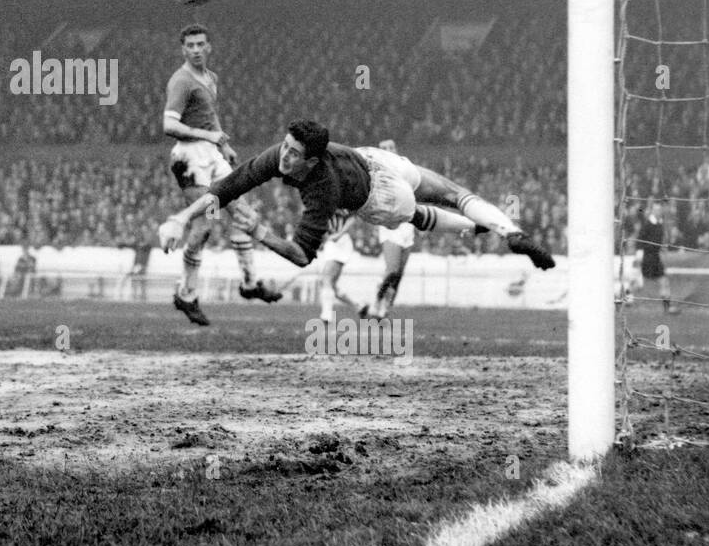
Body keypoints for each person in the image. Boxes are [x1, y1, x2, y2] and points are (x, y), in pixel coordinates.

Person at [159, 119, 555, 277]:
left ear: (311, 160)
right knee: (453, 192)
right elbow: (225, 189)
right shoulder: (278, 158)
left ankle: (487, 229)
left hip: (378, 195)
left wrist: (262, 233)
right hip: (372, 158)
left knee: (419, 214)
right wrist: (183, 217)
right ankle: (507, 230)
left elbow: (301, 255)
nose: (285, 156)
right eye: (285, 146)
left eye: (294, 154)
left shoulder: (321, 190)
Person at [162, 23, 278, 326]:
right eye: (190, 45)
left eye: (201, 44)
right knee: (204, 227)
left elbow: (211, 119)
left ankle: (250, 284)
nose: (196, 49)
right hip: (190, 159)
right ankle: (186, 294)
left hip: (212, 156)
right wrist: (209, 138)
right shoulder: (181, 81)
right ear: (183, 49)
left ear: (209, 46)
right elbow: (169, 125)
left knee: (243, 214)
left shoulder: (210, 78)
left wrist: (223, 146)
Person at [366, 139, 418, 320]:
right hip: (390, 226)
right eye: (383, 149)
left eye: (390, 148)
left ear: (396, 149)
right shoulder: (376, 173)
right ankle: (376, 300)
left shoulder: (407, 170)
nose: (388, 151)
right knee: (392, 270)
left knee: (399, 274)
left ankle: (385, 309)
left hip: (407, 226)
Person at [630, 199, 672, 316]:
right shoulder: (647, 225)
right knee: (639, 285)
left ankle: (666, 309)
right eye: (656, 209)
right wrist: (639, 256)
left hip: (655, 257)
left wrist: (662, 247)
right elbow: (639, 241)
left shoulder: (660, 224)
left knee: (664, 282)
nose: (658, 211)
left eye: (660, 209)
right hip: (648, 258)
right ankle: (621, 300)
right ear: (652, 211)